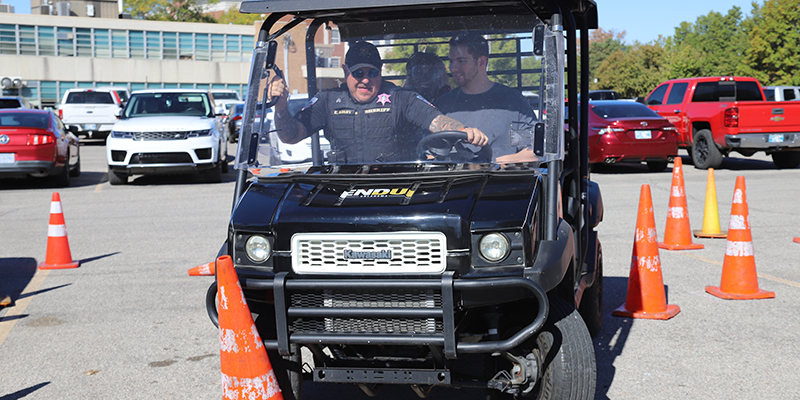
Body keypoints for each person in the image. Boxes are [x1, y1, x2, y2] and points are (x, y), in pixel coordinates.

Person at [268, 41, 487, 164]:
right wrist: (281, 107)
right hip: (342, 188)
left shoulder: (402, 98)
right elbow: (290, 136)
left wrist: (465, 131)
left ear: (380, 72)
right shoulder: (327, 100)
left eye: (372, 72)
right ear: (345, 72)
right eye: (358, 72)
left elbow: (437, 121)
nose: (365, 79)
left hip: (397, 187)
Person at [434, 33, 537, 162]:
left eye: (461, 61)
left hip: (501, 181)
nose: (453, 68)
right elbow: (429, 152)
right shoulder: (444, 104)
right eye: (451, 61)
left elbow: (532, 151)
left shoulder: (513, 103)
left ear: (481, 62)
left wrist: (493, 166)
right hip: (452, 181)